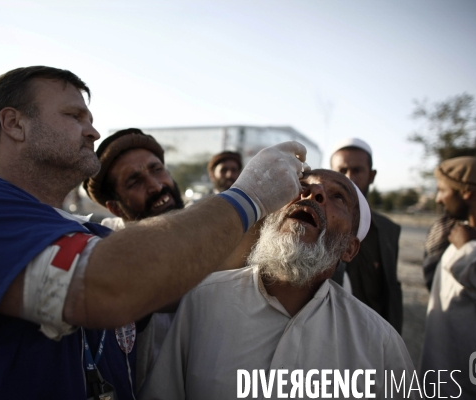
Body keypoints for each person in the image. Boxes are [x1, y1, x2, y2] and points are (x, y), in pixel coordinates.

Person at [0, 66, 309, 399]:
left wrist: (291, 214)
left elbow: (205, 267)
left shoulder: (87, 236)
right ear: (14, 124)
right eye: (74, 116)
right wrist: (248, 196)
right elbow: (107, 287)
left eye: (90, 119)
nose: (93, 131)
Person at [141, 169, 416, 400]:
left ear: (350, 250)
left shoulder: (378, 342)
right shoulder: (203, 301)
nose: (312, 193)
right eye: (302, 186)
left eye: (338, 196)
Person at [83, 127, 184, 392]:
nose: (156, 185)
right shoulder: (100, 246)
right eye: (135, 181)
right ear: (115, 208)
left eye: (157, 169)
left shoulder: (212, 235)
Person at [420, 156, 476, 399]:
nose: (438, 198)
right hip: (444, 378)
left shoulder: (472, 241)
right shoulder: (459, 230)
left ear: (466, 193)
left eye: (442, 190)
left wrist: (467, 251)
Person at [330, 138, 403, 333]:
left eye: (357, 170)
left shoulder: (388, 230)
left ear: (371, 176)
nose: (349, 178)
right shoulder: (316, 225)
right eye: (342, 171)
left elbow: (390, 291)